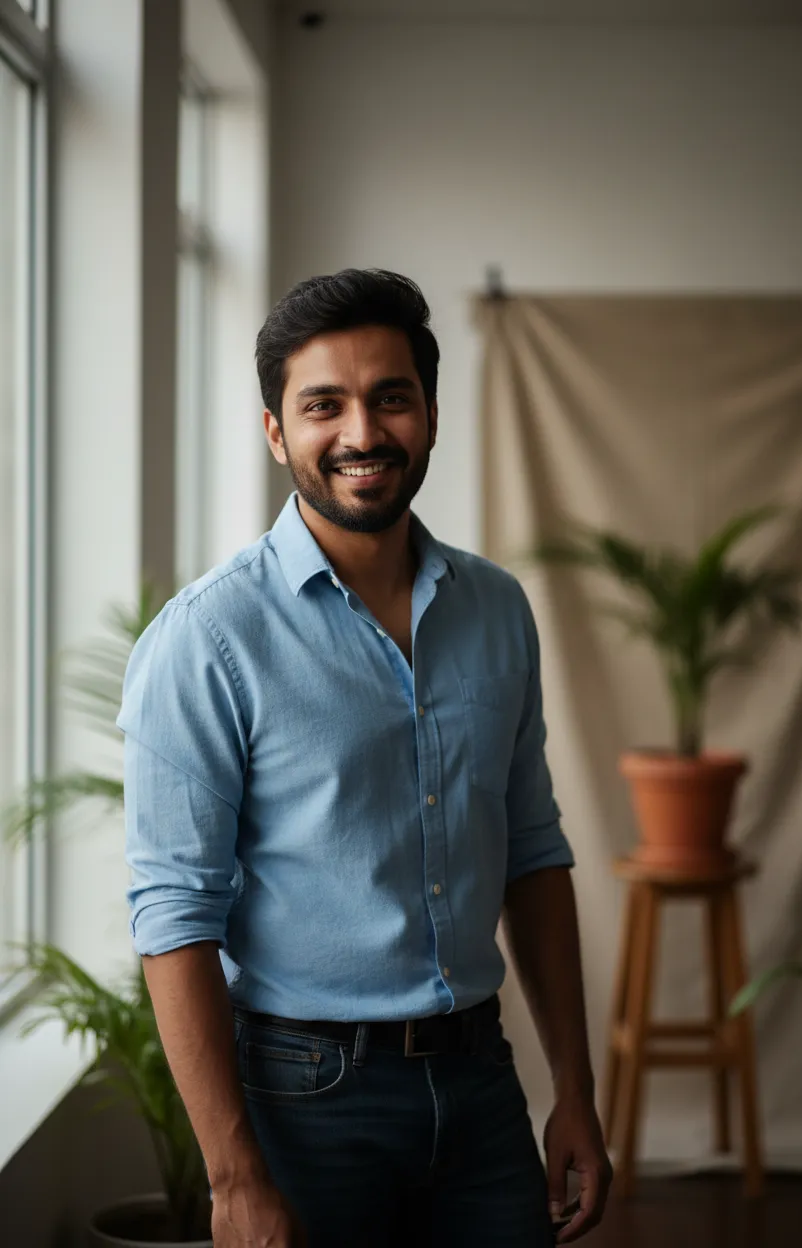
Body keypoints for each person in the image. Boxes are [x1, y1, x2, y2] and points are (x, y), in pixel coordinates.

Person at [117, 268, 612, 1248]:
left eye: (390, 398)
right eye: (323, 405)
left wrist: (577, 1091)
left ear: (429, 414)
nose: (361, 433)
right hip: (306, 1102)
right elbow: (173, 913)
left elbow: (531, 851)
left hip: (480, 1079)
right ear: (275, 433)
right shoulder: (208, 639)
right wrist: (231, 1177)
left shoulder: (497, 610)